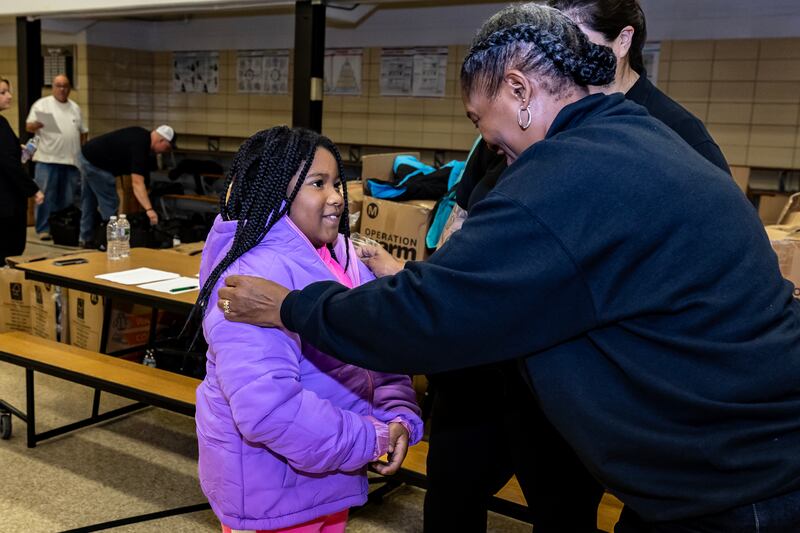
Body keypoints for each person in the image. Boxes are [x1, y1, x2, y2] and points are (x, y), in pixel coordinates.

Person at [215, 4, 800, 532]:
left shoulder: (562, 177)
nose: (489, 144)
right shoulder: (641, 137)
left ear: (518, 89)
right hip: (746, 450)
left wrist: (289, 306)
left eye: (478, 120)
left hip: (732, 479)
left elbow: (428, 318)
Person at [194, 126, 423, 532]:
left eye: (337, 182)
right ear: (276, 193)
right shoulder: (251, 277)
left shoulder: (348, 259)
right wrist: (371, 439)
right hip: (271, 493)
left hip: (332, 472)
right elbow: (269, 409)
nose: (337, 196)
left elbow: (379, 351)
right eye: (318, 183)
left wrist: (397, 415)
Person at [548, 0, 729, 174]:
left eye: (577, 44)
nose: (565, 59)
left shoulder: (680, 130)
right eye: (559, 47)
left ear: (623, 40)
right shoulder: (567, 116)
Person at [78, 124, 175, 247]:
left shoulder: (142, 136)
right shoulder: (141, 146)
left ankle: (85, 238)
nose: (163, 152)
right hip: (95, 164)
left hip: (87, 155)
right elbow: (137, 183)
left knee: (89, 201)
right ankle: (110, 243)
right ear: (161, 140)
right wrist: (149, 210)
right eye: (166, 148)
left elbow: (142, 178)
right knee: (110, 202)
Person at [25, 74, 88, 240]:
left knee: (67, 198)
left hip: (70, 161)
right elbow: (29, 126)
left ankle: (60, 227)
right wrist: (37, 124)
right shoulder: (42, 104)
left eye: (65, 86)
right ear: (52, 87)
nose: (62, 89)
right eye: (58, 86)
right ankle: (43, 228)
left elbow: (83, 131)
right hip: (47, 160)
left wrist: (80, 152)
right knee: (46, 196)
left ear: (69, 88)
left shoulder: (75, 107)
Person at [0, 78, 44, 264]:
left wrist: (17, 148)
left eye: (8, 91)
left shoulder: (2, 123)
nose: (9, 96)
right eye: (3, 93)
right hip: (5, 202)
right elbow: (8, 163)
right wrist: (33, 189)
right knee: (9, 250)